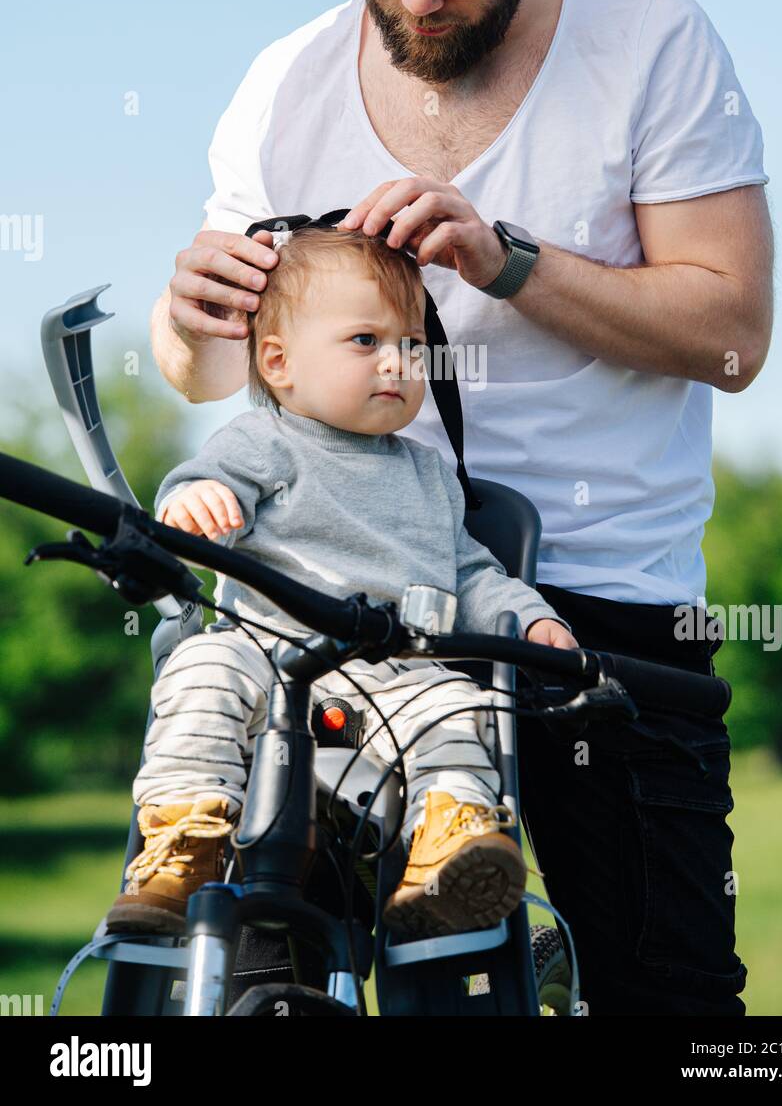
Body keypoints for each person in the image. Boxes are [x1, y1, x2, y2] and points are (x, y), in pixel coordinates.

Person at [151, 0, 774, 1014]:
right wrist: (191, 316)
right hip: (337, 594)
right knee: (265, 978)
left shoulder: (652, 41)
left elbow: (733, 334)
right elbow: (210, 372)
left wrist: (510, 264)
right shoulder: (281, 88)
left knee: (671, 998)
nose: (414, 4)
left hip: (601, 612)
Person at [107, 223, 576, 941]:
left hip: (395, 674)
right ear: (279, 361)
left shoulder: (426, 475)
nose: (396, 363)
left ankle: (448, 852)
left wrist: (530, 619)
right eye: (366, 342)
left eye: (411, 346)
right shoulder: (264, 439)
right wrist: (192, 503)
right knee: (203, 662)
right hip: (273, 664)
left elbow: (471, 569)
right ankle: (185, 842)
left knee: (458, 705)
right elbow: (201, 485)